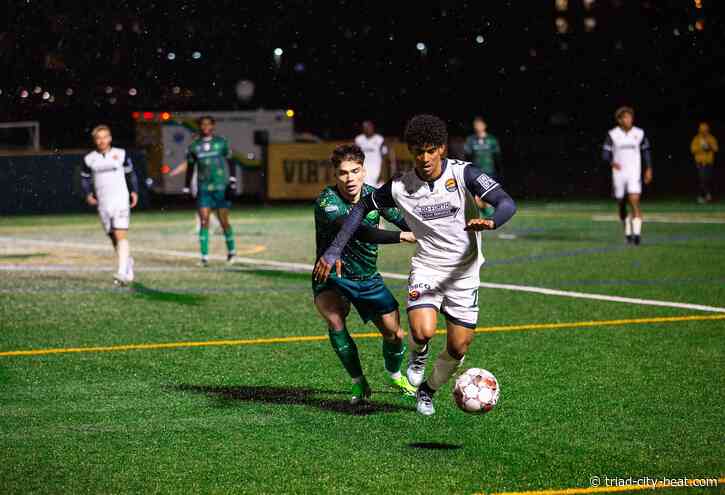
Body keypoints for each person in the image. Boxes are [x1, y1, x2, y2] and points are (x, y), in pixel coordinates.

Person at [314, 115, 517, 416]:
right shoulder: (399, 185)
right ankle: (417, 357)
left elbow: (506, 203)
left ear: (441, 149)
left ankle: (427, 390)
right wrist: (334, 250)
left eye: (430, 150)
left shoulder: (465, 174)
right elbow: (361, 209)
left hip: (464, 273)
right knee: (422, 332)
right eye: (417, 151)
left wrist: (492, 221)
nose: (424, 158)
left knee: (458, 347)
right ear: (411, 151)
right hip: (427, 268)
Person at [314, 144, 418, 404]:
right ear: (334, 175)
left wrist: (428, 227)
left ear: (364, 170)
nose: (349, 178)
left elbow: (404, 220)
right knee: (336, 321)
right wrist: (401, 236)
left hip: (367, 278)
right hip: (332, 275)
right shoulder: (327, 202)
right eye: (343, 173)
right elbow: (356, 230)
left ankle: (394, 375)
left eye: (355, 171)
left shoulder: (374, 196)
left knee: (395, 335)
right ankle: (358, 383)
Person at [80, 125, 139, 286]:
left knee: (121, 235)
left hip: (120, 201)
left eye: (105, 137)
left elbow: (130, 174)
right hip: (103, 204)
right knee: (113, 237)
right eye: (98, 138)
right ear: (95, 140)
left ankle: (121, 273)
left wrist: (134, 191)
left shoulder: (121, 154)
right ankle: (127, 263)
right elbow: (85, 178)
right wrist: (87, 193)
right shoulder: (89, 158)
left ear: (110, 138)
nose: (102, 140)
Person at [184, 116, 237, 266]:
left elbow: (231, 161)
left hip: (221, 187)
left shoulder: (221, 142)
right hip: (203, 188)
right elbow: (190, 166)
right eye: (202, 124)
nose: (205, 127)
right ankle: (204, 257)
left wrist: (232, 180)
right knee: (204, 221)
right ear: (199, 127)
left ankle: (232, 252)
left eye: (208, 124)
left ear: (213, 126)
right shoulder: (194, 146)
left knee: (224, 221)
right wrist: (187, 186)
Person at [602, 106, 653, 245]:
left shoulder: (639, 133)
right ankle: (628, 233)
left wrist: (648, 168)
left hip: (633, 173)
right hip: (619, 174)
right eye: (624, 117)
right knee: (621, 204)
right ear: (619, 120)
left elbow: (646, 152)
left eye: (629, 117)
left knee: (634, 201)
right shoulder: (613, 134)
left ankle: (636, 235)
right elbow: (605, 154)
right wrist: (612, 162)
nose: (628, 119)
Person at [463, 117, 502, 216]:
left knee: (488, 196)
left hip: (490, 172)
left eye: (480, 124)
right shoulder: (471, 140)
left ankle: (490, 215)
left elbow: (497, 155)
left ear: (484, 126)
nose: (478, 127)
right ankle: (481, 212)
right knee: (476, 197)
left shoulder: (491, 140)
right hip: (476, 173)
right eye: (476, 125)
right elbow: (466, 155)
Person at [690, 122, 718, 203]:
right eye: (702, 130)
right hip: (700, 163)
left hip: (709, 162)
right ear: (699, 130)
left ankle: (703, 196)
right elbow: (692, 149)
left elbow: (716, 148)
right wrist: (701, 147)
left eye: (705, 130)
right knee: (702, 179)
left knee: (707, 179)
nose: (704, 132)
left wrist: (709, 146)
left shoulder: (711, 138)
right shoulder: (696, 139)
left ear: (708, 130)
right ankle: (707, 195)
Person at [354, 120, 388, 187]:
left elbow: (384, 158)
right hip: (363, 173)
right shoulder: (358, 140)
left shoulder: (380, 139)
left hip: (377, 173)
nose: (367, 129)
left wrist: (382, 174)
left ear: (373, 127)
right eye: (365, 127)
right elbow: (355, 157)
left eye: (369, 127)